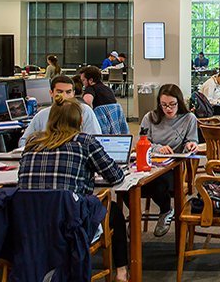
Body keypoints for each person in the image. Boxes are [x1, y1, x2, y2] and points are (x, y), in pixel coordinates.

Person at [18, 95, 130, 281]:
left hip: (30, 223)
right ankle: (121, 271)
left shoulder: (32, 143)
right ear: (79, 120)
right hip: (69, 222)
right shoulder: (84, 141)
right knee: (114, 213)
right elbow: (115, 176)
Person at [131, 84, 199, 237]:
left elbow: (192, 140)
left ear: (179, 102)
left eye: (172, 104)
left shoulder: (189, 118)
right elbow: (142, 141)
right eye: (164, 105)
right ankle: (135, 216)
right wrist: (157, 148)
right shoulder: (150, 117)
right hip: (150, 162)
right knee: (129, 186)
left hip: (172, 167)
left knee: (158, 183)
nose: (168, 109)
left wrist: (190, 145)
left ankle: (165, 210)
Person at [19, 75, 102, 146]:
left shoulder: (85, 111)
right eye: (59, 92)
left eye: (68, 92)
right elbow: (23, 141)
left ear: (73, 93)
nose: (64, 96)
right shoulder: (42, 115)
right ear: (51, 93)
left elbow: (96, 140)